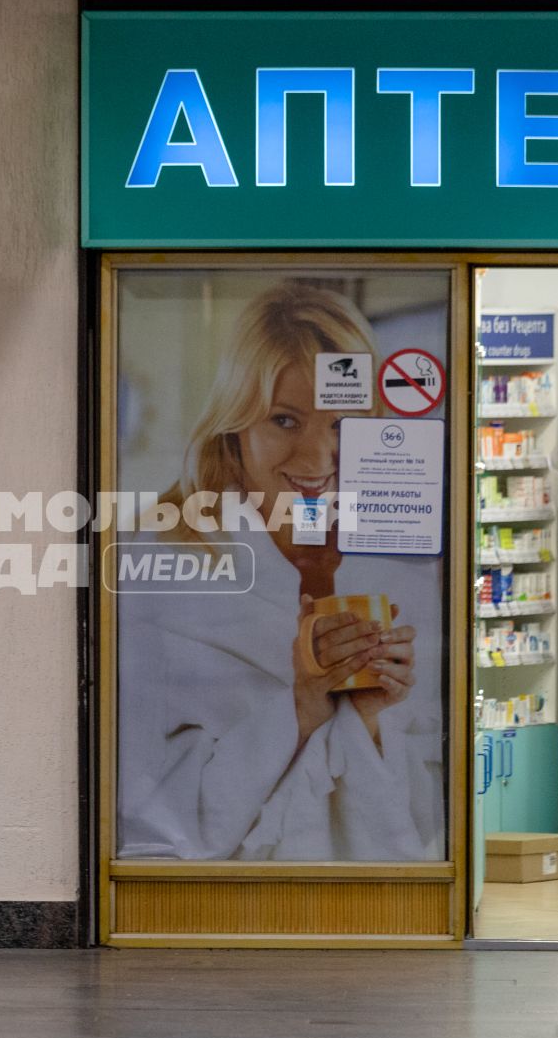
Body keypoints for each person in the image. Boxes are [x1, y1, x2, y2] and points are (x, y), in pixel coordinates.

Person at [117, 282, 442, 862]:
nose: (318, 459)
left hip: (374, 914)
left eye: (342, 425)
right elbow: (152, 816)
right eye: (286, 421)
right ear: (234, 429)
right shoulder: (168, 567)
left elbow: (430, 827)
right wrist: (302, 706)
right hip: (225, 916)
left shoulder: (406, 569)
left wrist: (368, 719)